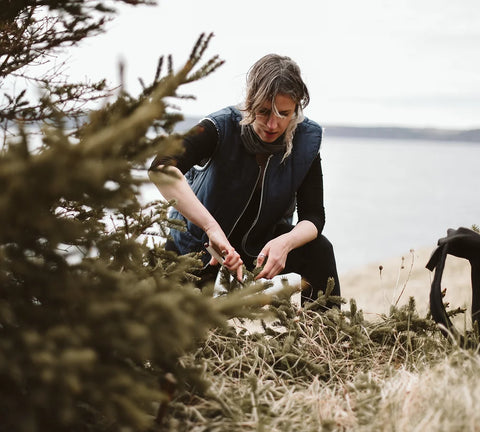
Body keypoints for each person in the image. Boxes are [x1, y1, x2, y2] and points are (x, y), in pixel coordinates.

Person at [148, 54, 341, 306]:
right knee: (184, 329)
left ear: (297, 107)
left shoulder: (306, 141)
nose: (273, 124)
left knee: (320, 251)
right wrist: (211, 228)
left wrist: (285, 243)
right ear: (249, 102)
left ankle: (324, 339)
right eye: (263, 112)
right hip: (200, 240)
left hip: (260, 241)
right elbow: (161, 167)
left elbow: (314, 217)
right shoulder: (221, 126)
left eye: (283, 113)